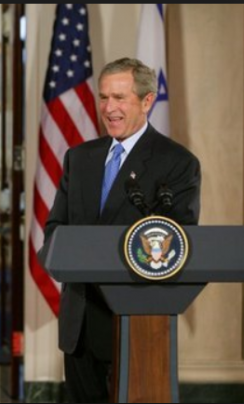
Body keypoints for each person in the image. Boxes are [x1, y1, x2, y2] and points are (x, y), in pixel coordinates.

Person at [40, 58, 201, 402]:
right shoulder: (79, 157)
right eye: (103, 98)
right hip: (80, 320)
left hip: (136, 322)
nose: (108, 108)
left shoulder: (176, 163)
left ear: (146, 101)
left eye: (119, 98)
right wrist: (60, 257)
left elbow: (178, 241)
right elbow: (56, 227)